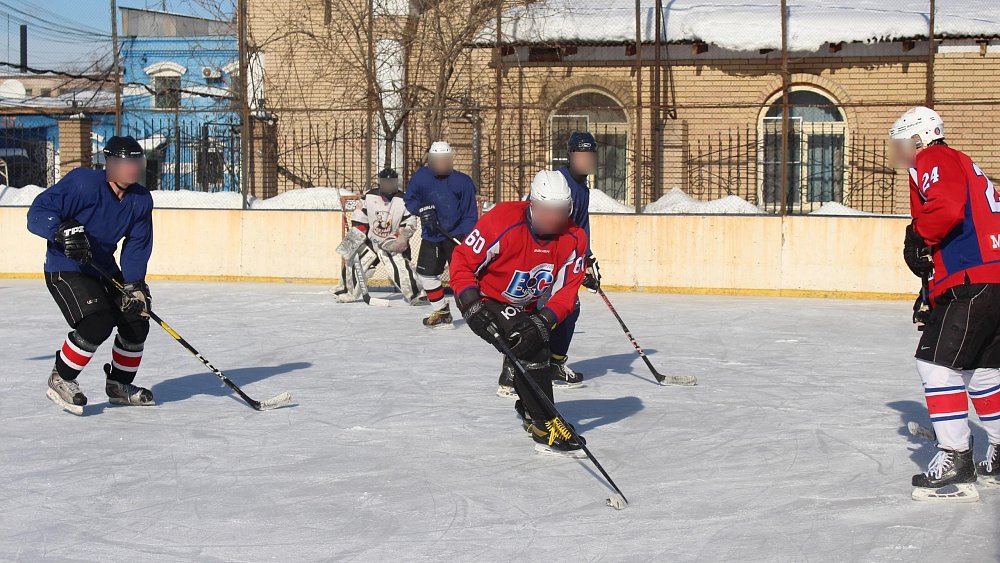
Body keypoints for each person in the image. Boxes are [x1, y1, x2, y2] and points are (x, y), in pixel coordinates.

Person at [891, 106, 1000, 501]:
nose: (902, 153)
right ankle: (999, 454)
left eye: (904, 144)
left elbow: (948, 210)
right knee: (984, 371)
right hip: (993, 280)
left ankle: (956, 455)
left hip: (972, 281)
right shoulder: (967, 165)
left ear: (921, 137)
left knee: (935, 361)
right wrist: (933, 289)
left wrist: (918, 235)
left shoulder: (935, 157)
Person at [451, 169, 589, 456]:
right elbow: (463, 261)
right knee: (532, 348)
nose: (555, 218)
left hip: (527, 303)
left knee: (534, 340)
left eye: (562, 211)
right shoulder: (502, 220)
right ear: (532, 204)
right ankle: (544, 422)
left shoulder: (574, 237)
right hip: (489, 297)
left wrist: (543, 320)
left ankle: (531, 410)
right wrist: (471, 305)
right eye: (548, 210)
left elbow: (566, 292)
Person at [27, 135, 156, 414]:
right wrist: (58, 230)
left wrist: (134, 284)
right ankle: (61, 377)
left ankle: (119, 385)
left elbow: (136, 245)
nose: (133, 168)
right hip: (67, 267)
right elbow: (38, 212)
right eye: (125, 162)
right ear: (109, 163)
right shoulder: (83, 182)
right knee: (97, 321)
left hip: (104, 269)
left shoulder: (141, 200)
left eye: (137, 161)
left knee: (136, 320)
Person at [495, 131, 600, 398]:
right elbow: (533, 218)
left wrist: (584, 258)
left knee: (567, 308)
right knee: (533, 308)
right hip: (540, 256)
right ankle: (513, 370)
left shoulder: (582, 188)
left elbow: (578, 228)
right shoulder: (558, 182)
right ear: (571, 155)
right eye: (581, 154)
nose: (586, 159)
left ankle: (553, 362)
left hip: (559, 256)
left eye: (590, 154)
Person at [403, 141, 478, 328]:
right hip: (432, 234)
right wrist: (421, 209)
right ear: (430, 160)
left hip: (457, 235)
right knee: (426, 275)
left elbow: (470, 213)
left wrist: (466, 236)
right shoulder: (421, 177)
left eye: (445, 160)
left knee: (461, 276)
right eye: (437, 160)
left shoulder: (463, 182)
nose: (441, 164)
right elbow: (410, 199)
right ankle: (442, 311)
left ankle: (476, 313)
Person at [332, 168, 425, 305]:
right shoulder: (369, 196)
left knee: (399, 265)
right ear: (380, 182)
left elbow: (410, 223)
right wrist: (356, 236)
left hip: (393, 241)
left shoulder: (404, 199)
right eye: (385, 182)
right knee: (354, 260)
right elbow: (360, 217)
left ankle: (417, 295)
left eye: (391, 182)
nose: (388, 185)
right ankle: (345, 291)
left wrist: (402, 238)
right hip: (371, 240)